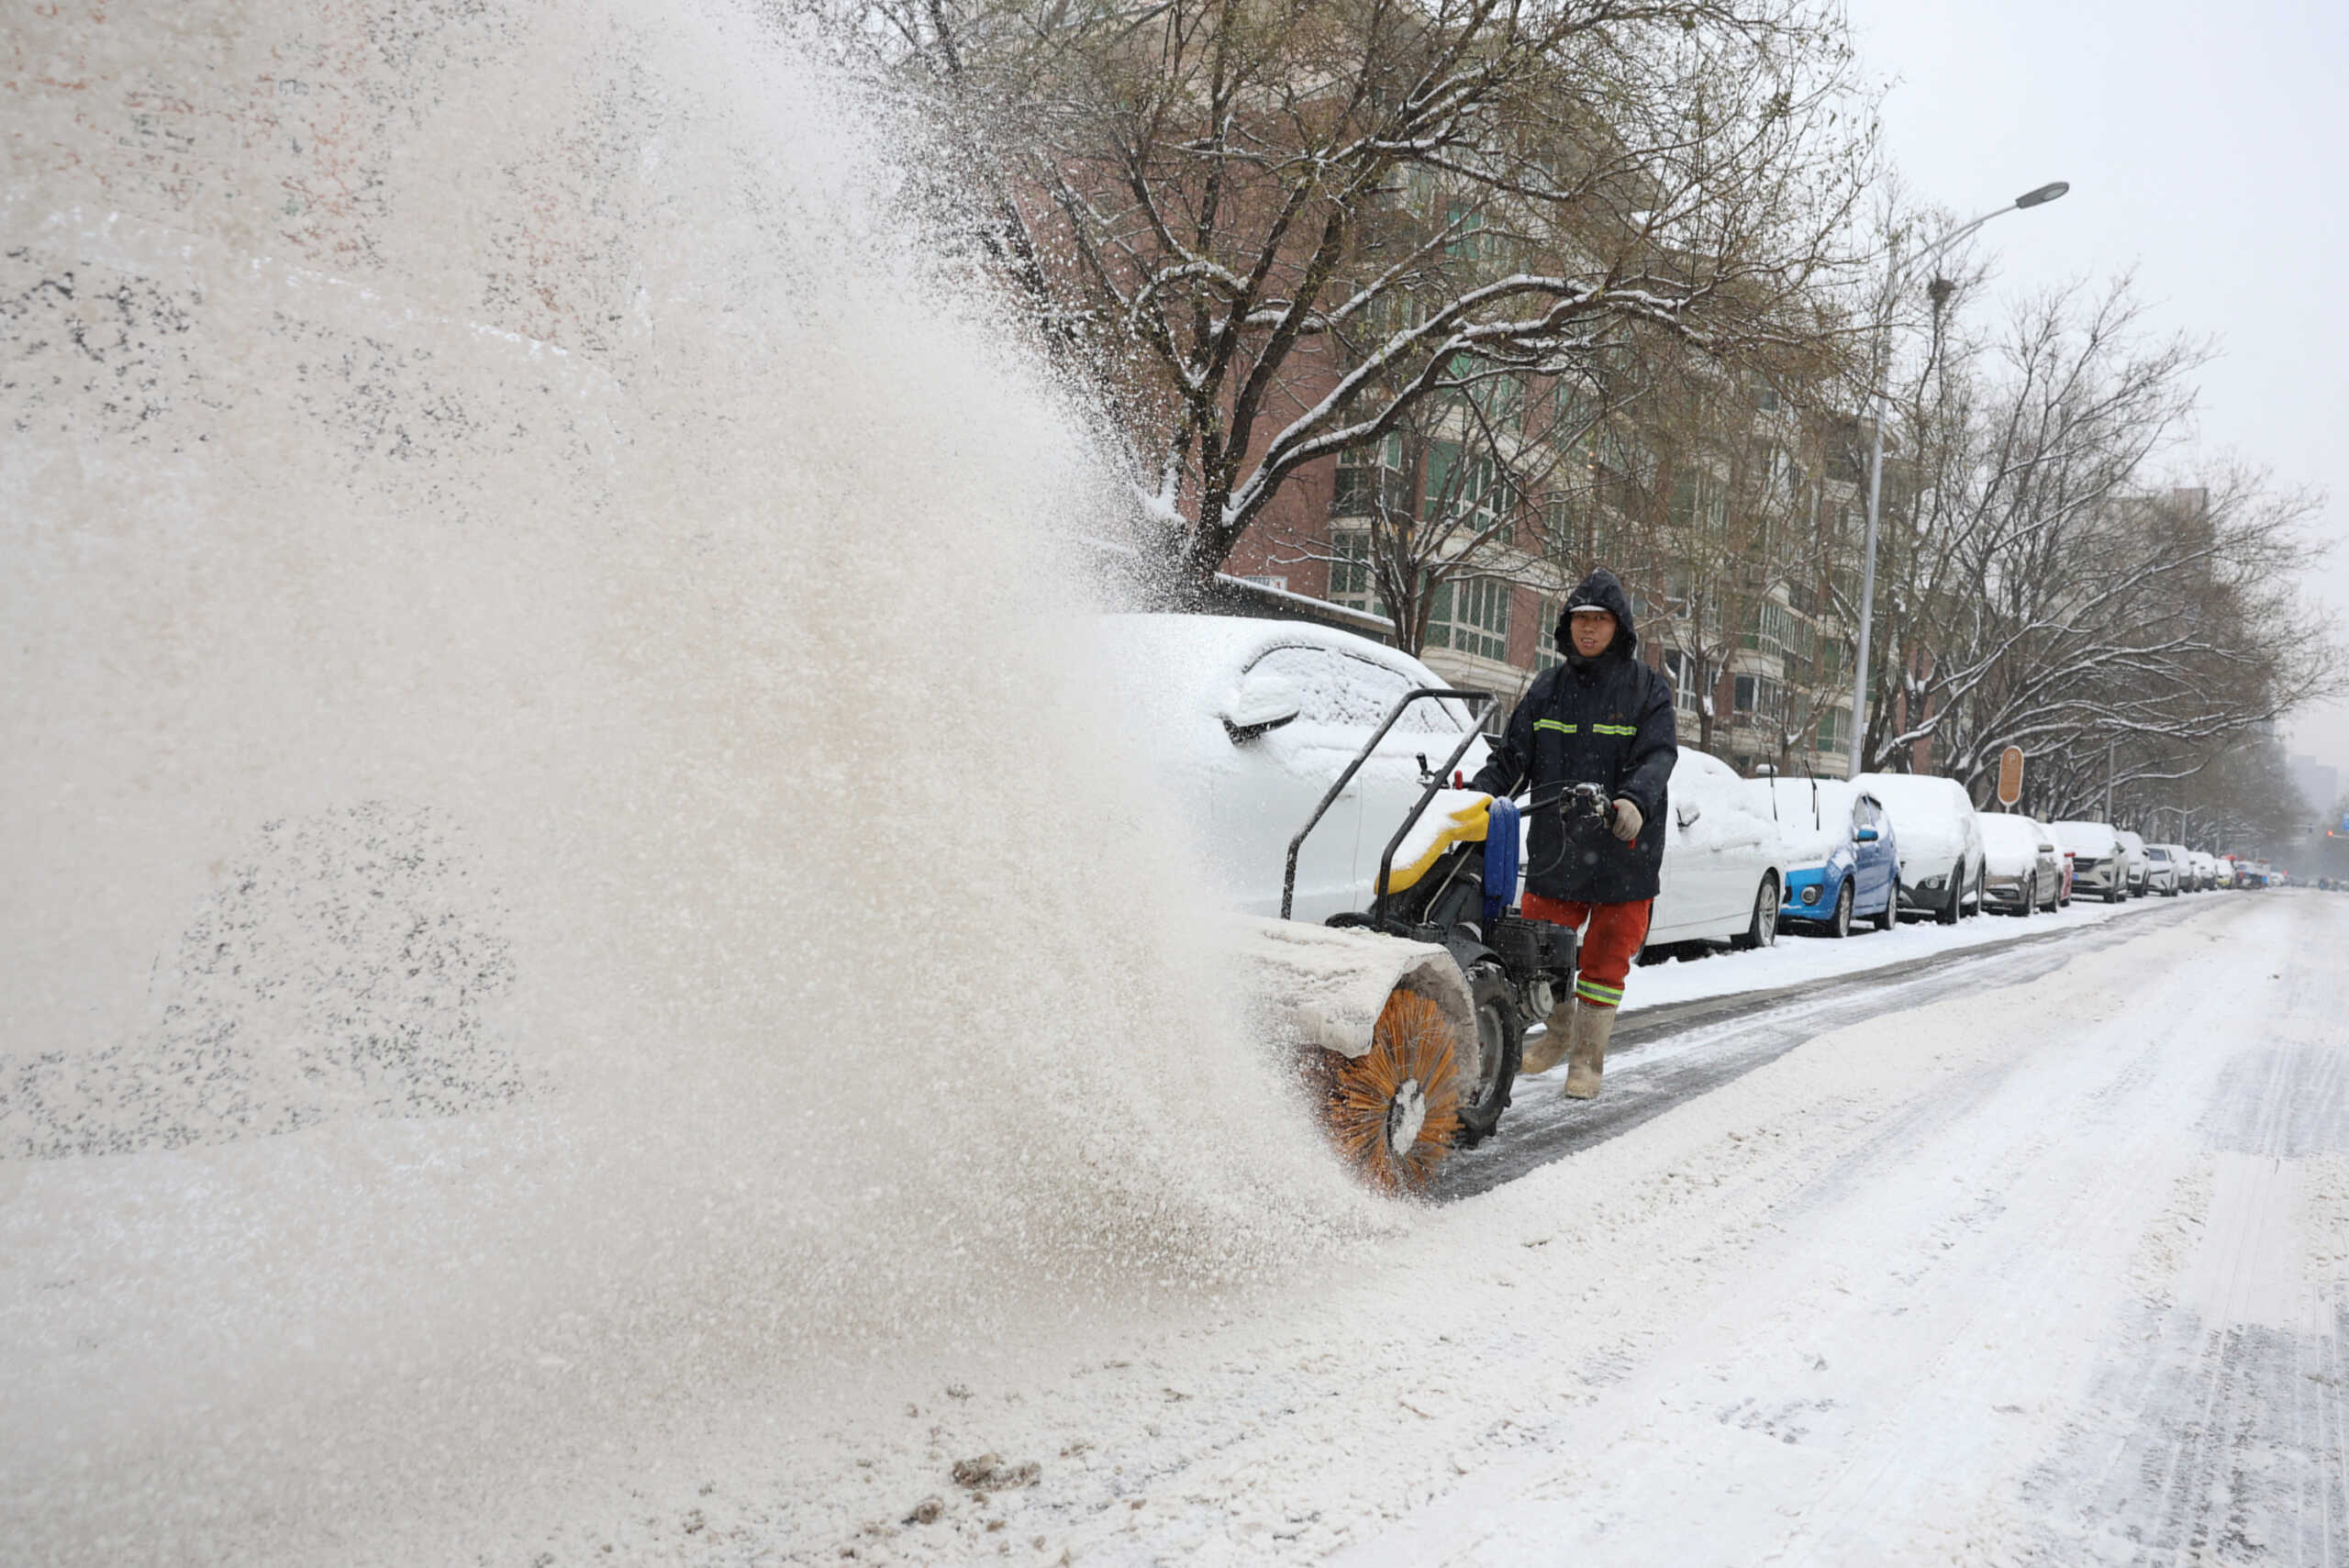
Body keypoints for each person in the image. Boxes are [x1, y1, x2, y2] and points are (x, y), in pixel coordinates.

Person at [1469, 567, 1675, 1099]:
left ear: (1618, 626)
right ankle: (1558, 1034)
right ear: (1567, 626)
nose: (1588, 630)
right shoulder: (1547, 689)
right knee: (1540, 951)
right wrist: (1475, 797)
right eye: (1580, 619)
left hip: (1624, 849)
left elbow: (1657, 756)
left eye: (1599, 620)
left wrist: (1633, 800)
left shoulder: (1646, 690)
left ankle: (1587, 1060)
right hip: (1558, 847)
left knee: (1605, 961)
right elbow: (1513, 757)